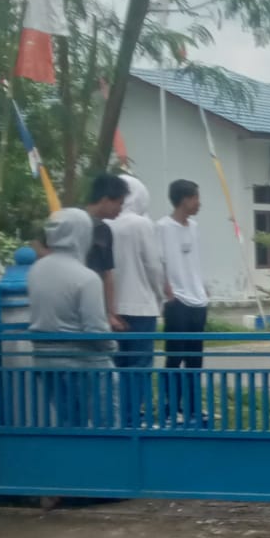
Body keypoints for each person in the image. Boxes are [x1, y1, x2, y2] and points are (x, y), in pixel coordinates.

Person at [28, 207, 114, 428]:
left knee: (69, 421)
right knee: (106, 416)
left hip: (43, 359)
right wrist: (112, 345)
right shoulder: (87, 278)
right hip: (81, 360)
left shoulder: (36, 270)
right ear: (82, 234)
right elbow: (96, 331)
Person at [108, 175, 164, 428]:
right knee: (139, 365)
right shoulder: (141, 224)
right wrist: (161, 295)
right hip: (141, 306)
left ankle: (113, 418)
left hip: (109, 308)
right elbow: (153, 265)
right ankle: (131, 419)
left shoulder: (103, 223)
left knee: (114, 365)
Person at [158, 179, 209, 427]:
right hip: (177, 300)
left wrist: (203, 287)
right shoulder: (162, 227)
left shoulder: (195, 226)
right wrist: (168, 292)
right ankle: (170, 406)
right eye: (196, 198)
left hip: (198, 299)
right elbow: (159, 262)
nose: (199, 203)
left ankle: (192, 407)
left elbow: (196, 261)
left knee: (195, 358)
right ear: (184, 199)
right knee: (174, 356)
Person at [82, 173, 129, 332]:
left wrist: (111, 313)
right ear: (105, 199)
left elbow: (107, 273)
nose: (120, 210)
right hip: (87, 301)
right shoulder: (99, 229)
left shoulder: (104, 230)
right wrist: (110, 313)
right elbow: (107, 274)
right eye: (119, 203)